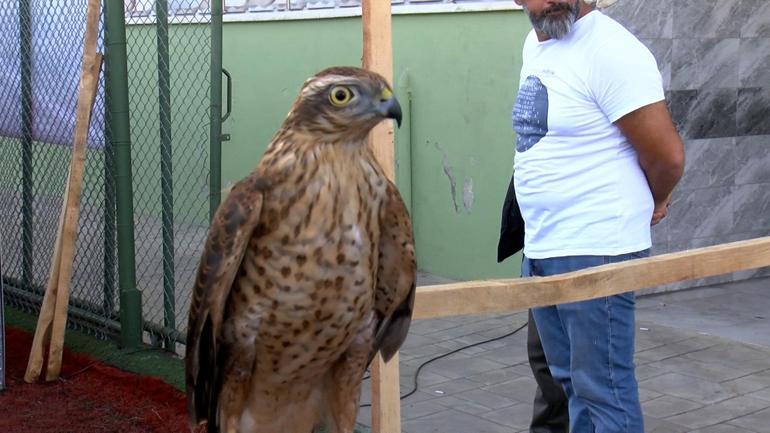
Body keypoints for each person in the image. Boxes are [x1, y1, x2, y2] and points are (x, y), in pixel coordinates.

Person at [498, 1, 685, 432]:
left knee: (603, 391)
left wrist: (655, 199)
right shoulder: (536, 45)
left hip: (595, 247)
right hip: (545, 243)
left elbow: (668, 157)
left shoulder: (612, 50)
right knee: (569, 385)